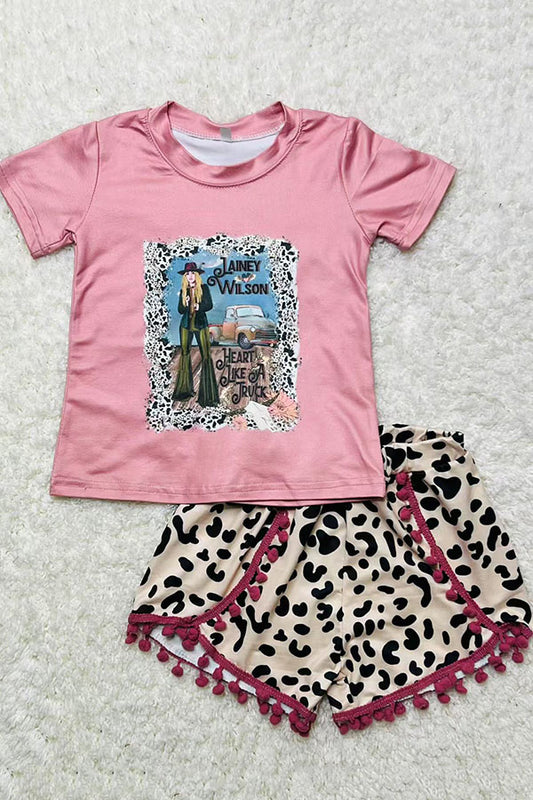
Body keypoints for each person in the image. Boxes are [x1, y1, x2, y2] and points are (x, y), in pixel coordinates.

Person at [172, 262, 220, 407]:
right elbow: (180, 310)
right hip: (185, 325)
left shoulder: (204, 288)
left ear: (197, 275)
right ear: (185, 277)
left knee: (205, 355)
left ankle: (208, 396)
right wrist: (185, 303)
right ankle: (184, 391)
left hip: (200, 324)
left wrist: (200, 306)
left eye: (193, 273)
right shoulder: (184, 290)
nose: (190, 276)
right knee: (185, 354)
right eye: (188, 274)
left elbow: (209, 305)